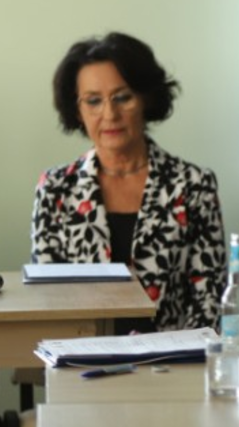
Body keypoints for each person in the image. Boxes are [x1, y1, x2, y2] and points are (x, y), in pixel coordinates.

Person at [32, 31, 227, 332]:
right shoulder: (56, 189)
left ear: (146, 99)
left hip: (175, 356)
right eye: (93, 101)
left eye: (123, 97)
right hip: (81, 356)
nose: (110, 114)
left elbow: (210, 301)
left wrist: (180, 355)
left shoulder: (193, 186)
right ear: (77, 110)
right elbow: (47, 301)